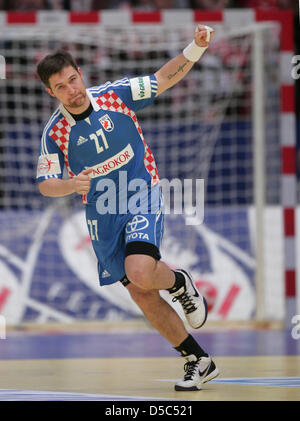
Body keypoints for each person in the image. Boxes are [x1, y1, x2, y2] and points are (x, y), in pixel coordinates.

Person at [36, 24, 219, 391]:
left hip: (140, 192)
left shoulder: (115, 95)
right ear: (50, 91)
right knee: (140, 291)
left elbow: (162, 79)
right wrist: (72, 184)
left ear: (80, 74)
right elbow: (46, 185)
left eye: (73, 80)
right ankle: (197, 360)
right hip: (101, 214)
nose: (71, 91)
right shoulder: (54, 133)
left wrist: (195, 48)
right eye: (61, 87)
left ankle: (181, 282)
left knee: (140, 269)